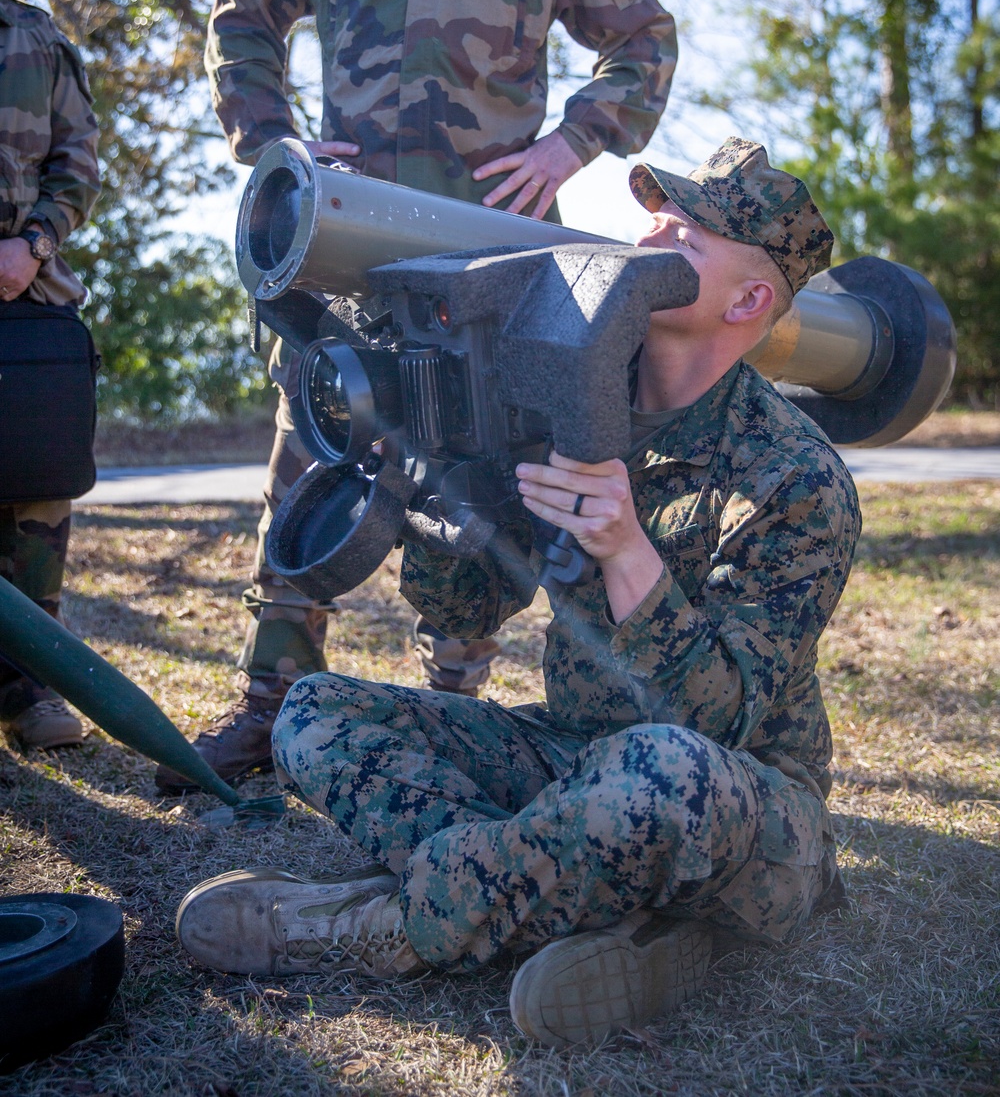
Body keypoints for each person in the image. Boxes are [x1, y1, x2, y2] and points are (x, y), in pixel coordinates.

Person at [175, 137, 861, 1050]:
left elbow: (720, 723)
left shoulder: (796, 478)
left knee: (661, 770)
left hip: (741, 801)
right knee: (312, 715)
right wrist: (437, 488)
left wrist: (625, 550)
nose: (652, 233)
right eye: (656, 214)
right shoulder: (562, 386)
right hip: (575, 757)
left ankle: (378, 924)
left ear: (748, 300)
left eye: (688, 235)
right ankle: (613, 917)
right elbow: (465, 613)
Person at [166, 0, 677, 789]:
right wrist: (273, 143)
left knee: (476, 480)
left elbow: (645, 40)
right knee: (309, 460)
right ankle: (269, 701)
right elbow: (241, 9)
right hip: (345, 249)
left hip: (481, 266)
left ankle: (456, 704)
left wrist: (570, 142)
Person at [0, 0, 100, 750]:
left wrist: (31, 245)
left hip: (25, 302)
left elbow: (77, 164)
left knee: (35, 502)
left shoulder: (33, 37)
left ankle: (33, 696)